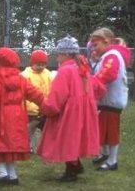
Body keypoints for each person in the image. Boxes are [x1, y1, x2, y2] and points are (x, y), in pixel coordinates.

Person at [37, 35, 106, 182]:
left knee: (68, 138)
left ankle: (71, 171)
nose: (57, 58)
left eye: (59, 54)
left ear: (67, 54)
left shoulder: (65, 70)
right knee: (76, 138)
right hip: (83, 110)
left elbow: (58, 94)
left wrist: (47, 107)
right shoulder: (82, 67)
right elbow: (96, 86)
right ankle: (76, 165)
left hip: (70, 112)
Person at [0, 47, 45, 186]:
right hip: (18, 116)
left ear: (0, 63)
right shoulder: (21, 79)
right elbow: (35, 94)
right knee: (10, 146)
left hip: (2, 116)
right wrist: (47, 106)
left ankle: (2, 174)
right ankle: (12, 175)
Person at [90, 27, 130, 171]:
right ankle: (105, 154)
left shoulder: (112, 55)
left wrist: (91, 84)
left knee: (111, 131)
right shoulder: (109, 55)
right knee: (104, 128)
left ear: (106, 41)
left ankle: (112, 161)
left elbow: (108, 74)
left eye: (96, 45)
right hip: (108, 100)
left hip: (111, 101)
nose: (94, 48)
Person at [21, 50, 52, 153]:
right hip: (31, 110)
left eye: (43, 64)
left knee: (47, 129)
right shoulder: (25, 75)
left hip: (45, 108)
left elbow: (51, 88)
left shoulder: (47, 73)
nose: (40, 67)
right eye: (38, 65)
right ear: (32, 63)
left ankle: (46, 147)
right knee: (29, 130)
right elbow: (23, 94)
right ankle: (28, 147)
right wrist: (31, 107)